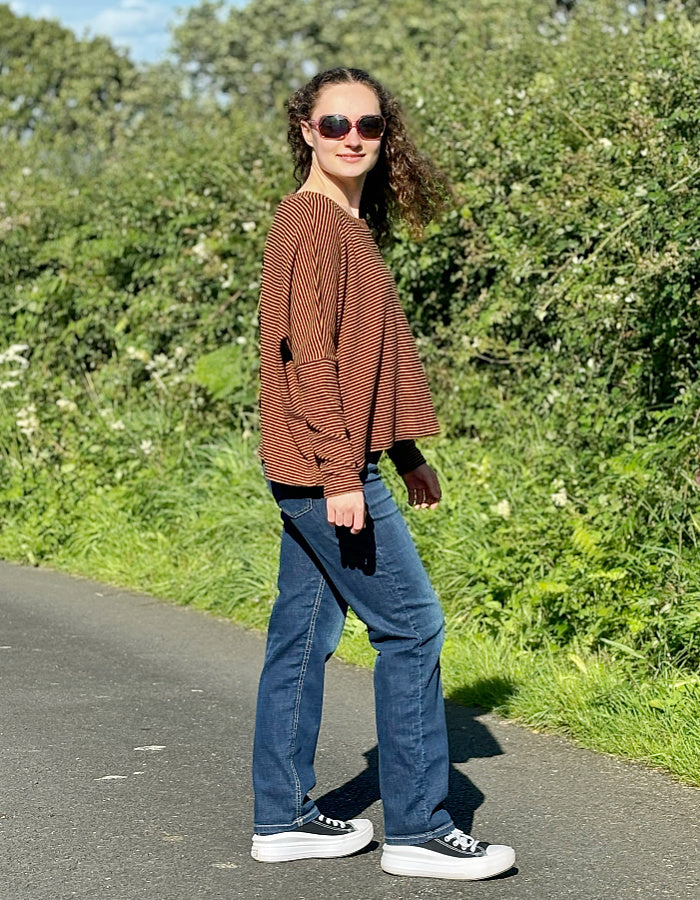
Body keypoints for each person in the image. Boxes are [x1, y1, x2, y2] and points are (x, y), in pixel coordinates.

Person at [251, 66, 515, 881]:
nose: (353, 137)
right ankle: (417, 829)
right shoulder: (311, 225)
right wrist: (343, 474)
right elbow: (310, 357)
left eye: (367, 125)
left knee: (303, 633)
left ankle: (284, 816)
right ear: (306, 130)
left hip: (320, 462)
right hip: (324, 465)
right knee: (414, 625)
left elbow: (372, 355)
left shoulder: (345, 226)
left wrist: (405, 453)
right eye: (335, 125)